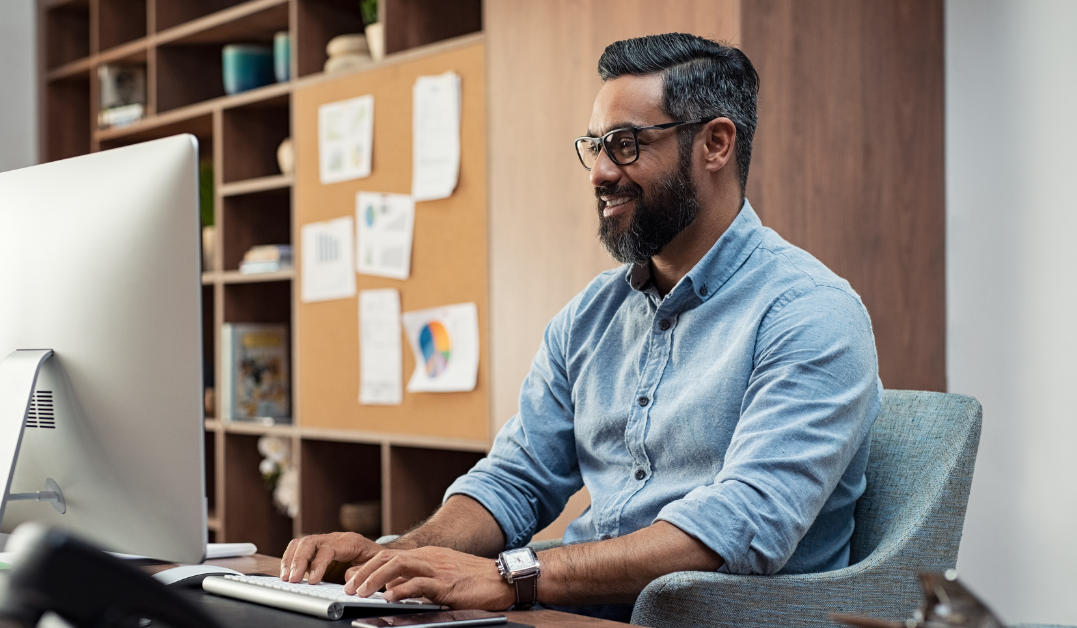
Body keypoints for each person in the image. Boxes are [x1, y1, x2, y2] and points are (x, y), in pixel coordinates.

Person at [280, 32, 882, 622]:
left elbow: (743, 523)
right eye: (594, 145)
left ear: (715, 144)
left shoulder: (810, 312)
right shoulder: (589, 316)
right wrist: (399, 557)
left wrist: (513, 576)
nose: (598, 172)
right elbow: (517, 478)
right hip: (572, 610)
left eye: (624, 144)